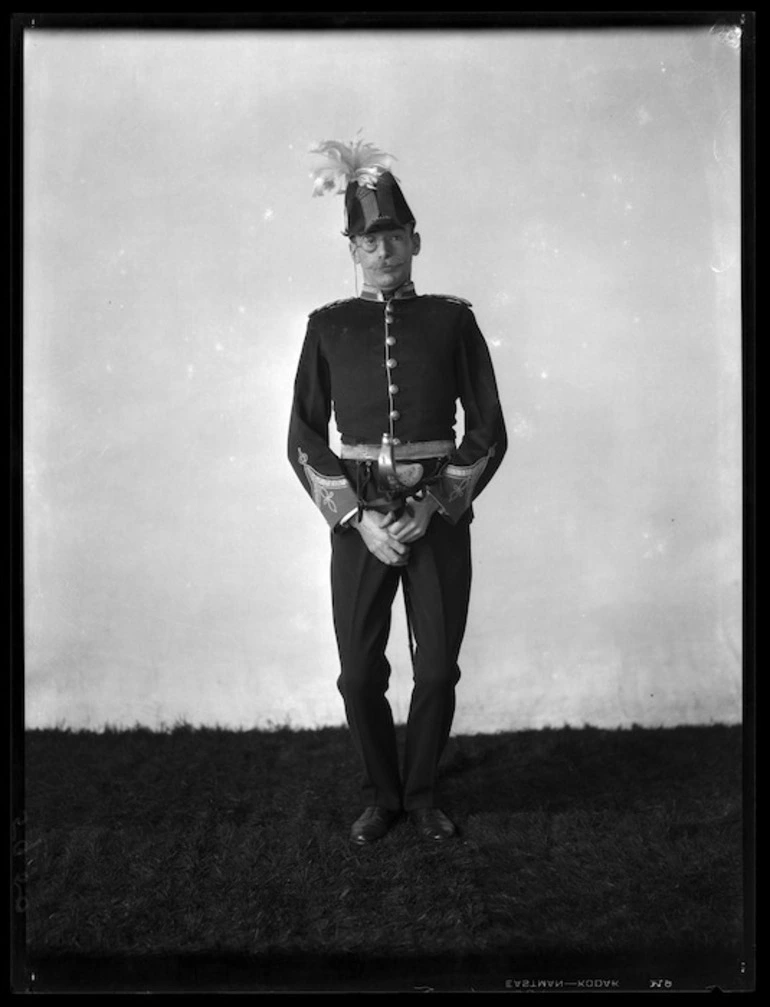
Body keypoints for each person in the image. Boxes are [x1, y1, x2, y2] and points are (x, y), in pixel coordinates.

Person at [288, 138, 507, 845]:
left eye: (391, 237)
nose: (380, 251)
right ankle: (383, 796)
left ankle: (422, 794)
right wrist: (356, 518)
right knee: (358, 676)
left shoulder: (452, 319)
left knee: (438, 670)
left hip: (436, 509)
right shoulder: (327, 327)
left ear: (414, 239)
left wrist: (434, 504)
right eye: (366, 240)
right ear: (351, 249)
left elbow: (489, 429)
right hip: (358, 514)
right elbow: (302, 437)